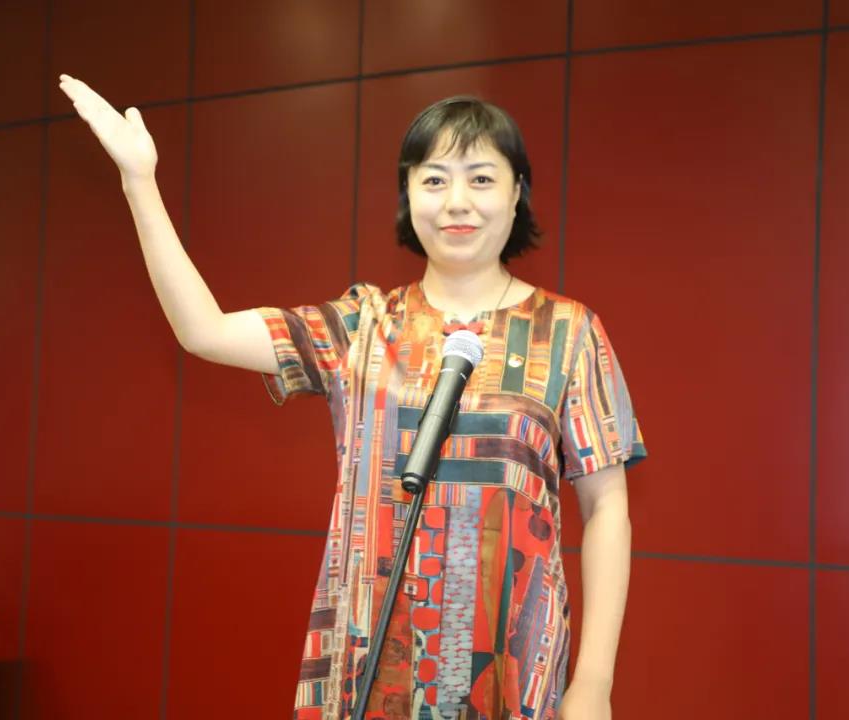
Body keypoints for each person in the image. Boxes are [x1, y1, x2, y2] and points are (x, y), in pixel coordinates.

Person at [59, 74, 647, 720]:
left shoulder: (568, 333)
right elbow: (205, 330)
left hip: (512, 674)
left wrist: (594, 683)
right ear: (408, 195)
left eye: (481, 178)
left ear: (516, 194)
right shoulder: (362, 326)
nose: (457, 202)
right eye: (434, 179)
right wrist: (139, 182)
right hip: (368, 673)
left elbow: (606, 507)